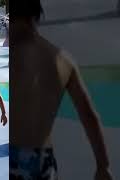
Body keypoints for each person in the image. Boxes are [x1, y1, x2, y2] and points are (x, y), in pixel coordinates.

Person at [10, 1, 113, 180]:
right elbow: (89, 116)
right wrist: (103, 166)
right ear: (35, 17)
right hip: (41, 161)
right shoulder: (63, 60)